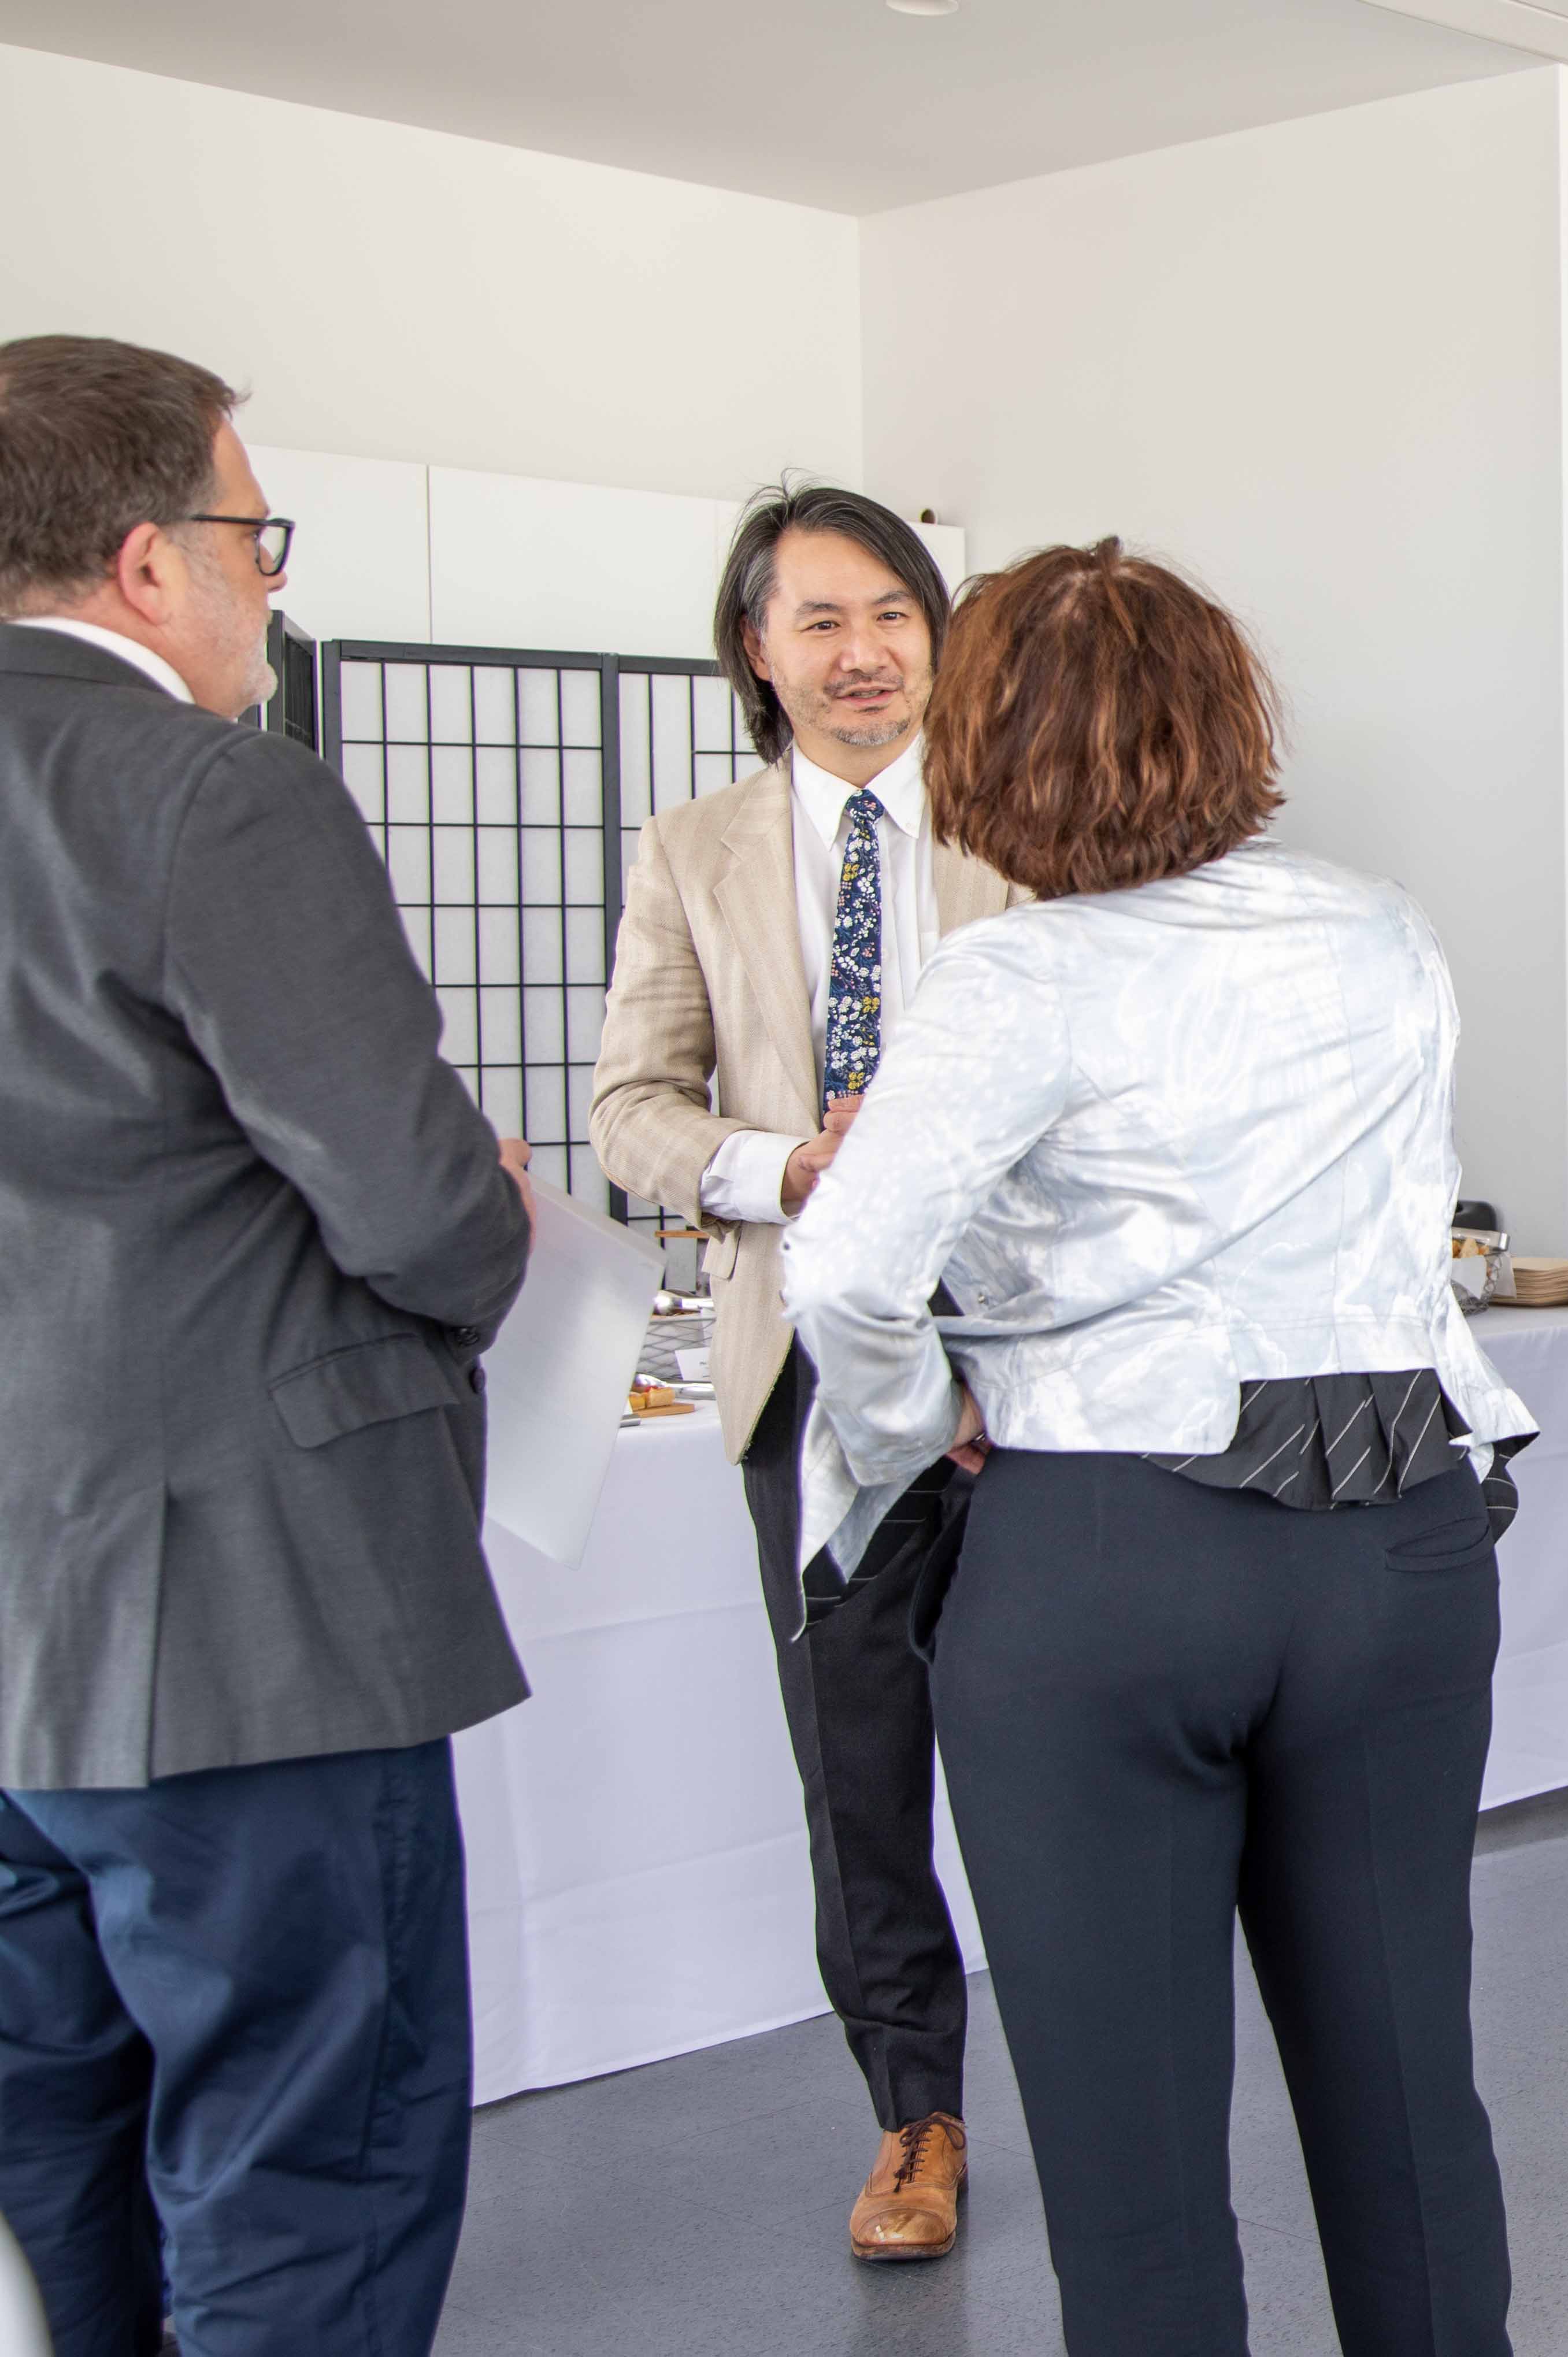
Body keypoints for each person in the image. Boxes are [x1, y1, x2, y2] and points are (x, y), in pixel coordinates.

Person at [783, 539, 1534, 2353]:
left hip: (1109, 1561)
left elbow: (844, 1273)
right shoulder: (1376, 926)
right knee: (1406, 2097)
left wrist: (916, 1425)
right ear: (1221, 721)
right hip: (1398, 1539)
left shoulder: (1008, 979)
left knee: (1135, 2176)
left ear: (985, 753)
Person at [0, 335, 533, 2355]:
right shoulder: (213, 792)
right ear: (150, 561)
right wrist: (488, 1224)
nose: (269, 584)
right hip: (247, 1625)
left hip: (16, 1645)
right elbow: (408, 1205)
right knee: (308, 2164)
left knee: (67, 2174)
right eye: (254, 534)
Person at [588, 483, 1025, 2260]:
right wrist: (790, 1166)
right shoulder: (691, 850)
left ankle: (1093, 2071)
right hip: (809, 1384)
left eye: (894, 616)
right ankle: (913, 2119)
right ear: (755, 652)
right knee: (857, 1783)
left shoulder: (1027, 825)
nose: (865, 654)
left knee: (1055, 1761)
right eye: (822, 622)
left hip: (1024, 1390)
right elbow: (627, 1116)